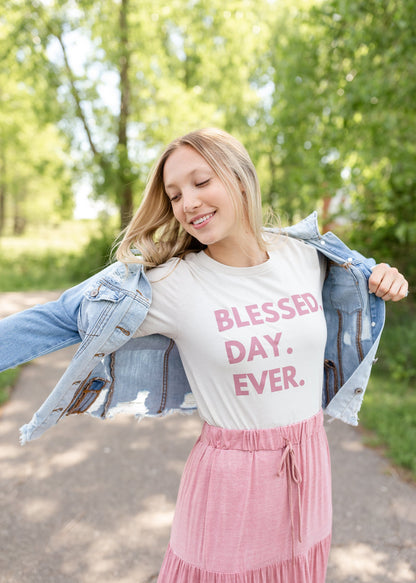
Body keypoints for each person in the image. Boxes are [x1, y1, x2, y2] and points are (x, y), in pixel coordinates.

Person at [0, 128, 408, 582]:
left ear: (239, 178)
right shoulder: (172, 283)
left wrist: (384, 276)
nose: (187, 203)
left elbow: (365, 277)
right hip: (230, 478)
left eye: (200, 182)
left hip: (308, 461)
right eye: (174, 195)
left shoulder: (305, 255)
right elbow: (62, 316)